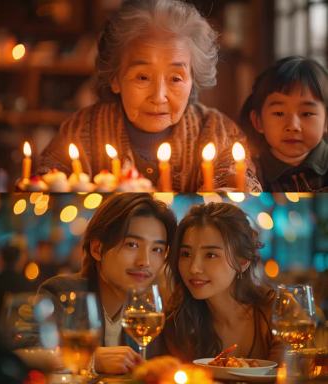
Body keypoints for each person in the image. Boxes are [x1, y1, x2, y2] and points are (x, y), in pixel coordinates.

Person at [37, 0, 261, 192]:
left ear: (193, 79)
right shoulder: (82, 131)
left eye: (175, 78)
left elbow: (240, 196)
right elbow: (43, 188)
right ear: (116, 78)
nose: (159, 96)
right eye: (142, 77)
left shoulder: (218, 134)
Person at [39, 193, 176, 374]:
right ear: (97, 249)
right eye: (132, 245)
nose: (145, 262)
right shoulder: (63, 293)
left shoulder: (151, 311)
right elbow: (28, 353)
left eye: (157, 249)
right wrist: (90, 360)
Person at [162, 202, 284, 363]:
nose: (194, 268)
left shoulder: (280, 311)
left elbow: (290, 376)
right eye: (185, 254)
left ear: (242, 262)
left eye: (211, 255)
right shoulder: (178, 322)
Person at [239, 56, 328, 192]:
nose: (293, 126)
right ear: (258, 121)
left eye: (307, 114)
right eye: (279, 113)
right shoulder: (249, 173)